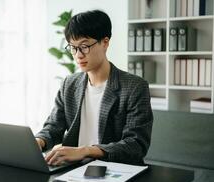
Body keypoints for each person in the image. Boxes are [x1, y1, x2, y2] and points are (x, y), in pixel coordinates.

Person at [35, 10, 153, 166]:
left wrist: (85, 150)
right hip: (73, 169)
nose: (78, 55)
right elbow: (53, 127)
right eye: (73, 47)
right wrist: (38, 142)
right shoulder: (69, 84)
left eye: (84, 46)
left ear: (105, 43)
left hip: (115, 170)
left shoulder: (134, 87)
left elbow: (136, 145)